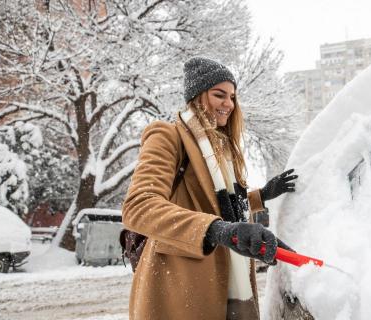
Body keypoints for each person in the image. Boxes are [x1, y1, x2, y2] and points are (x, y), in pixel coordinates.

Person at [122, 57, 298, 320]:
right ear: (197, 95)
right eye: (219, 95)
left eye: (232, 97)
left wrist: (262, 196)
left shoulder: (223, 150)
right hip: (183, 286)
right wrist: (217, 230)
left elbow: (219, 209)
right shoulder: (168, 136)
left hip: (233, 283)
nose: (229, 104)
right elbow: (139, 206)